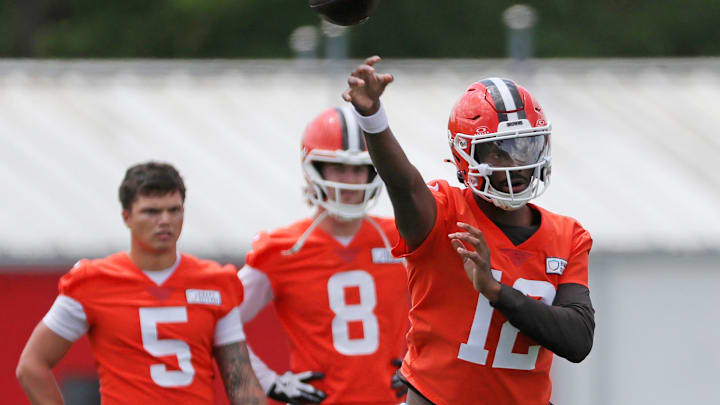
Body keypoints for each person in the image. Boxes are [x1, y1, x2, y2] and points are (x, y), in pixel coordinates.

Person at [341, 56, 595, 405]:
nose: (518, 163)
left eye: (526, 145)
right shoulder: (444, 213)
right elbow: (403, 184)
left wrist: (495, 290)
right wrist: (372, 118)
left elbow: (577, 340)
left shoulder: (568, 236)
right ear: (466, 155)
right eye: (501, 151)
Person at [15, 162, 266, 405]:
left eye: (174, 209)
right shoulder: (93, 282)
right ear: (127, 217)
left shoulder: (214, 282)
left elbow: (240, 381)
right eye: (152, 211)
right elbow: (31, 365)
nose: (165, 220)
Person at [238, 106, 409, 405]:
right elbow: (221, 320)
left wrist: (422, 362)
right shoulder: (284, 249)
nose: (350, 181)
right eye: (338, 168)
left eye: (359, 169)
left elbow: (450, 310)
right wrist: (268, 381)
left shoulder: (399, 238)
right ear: (314, 168)